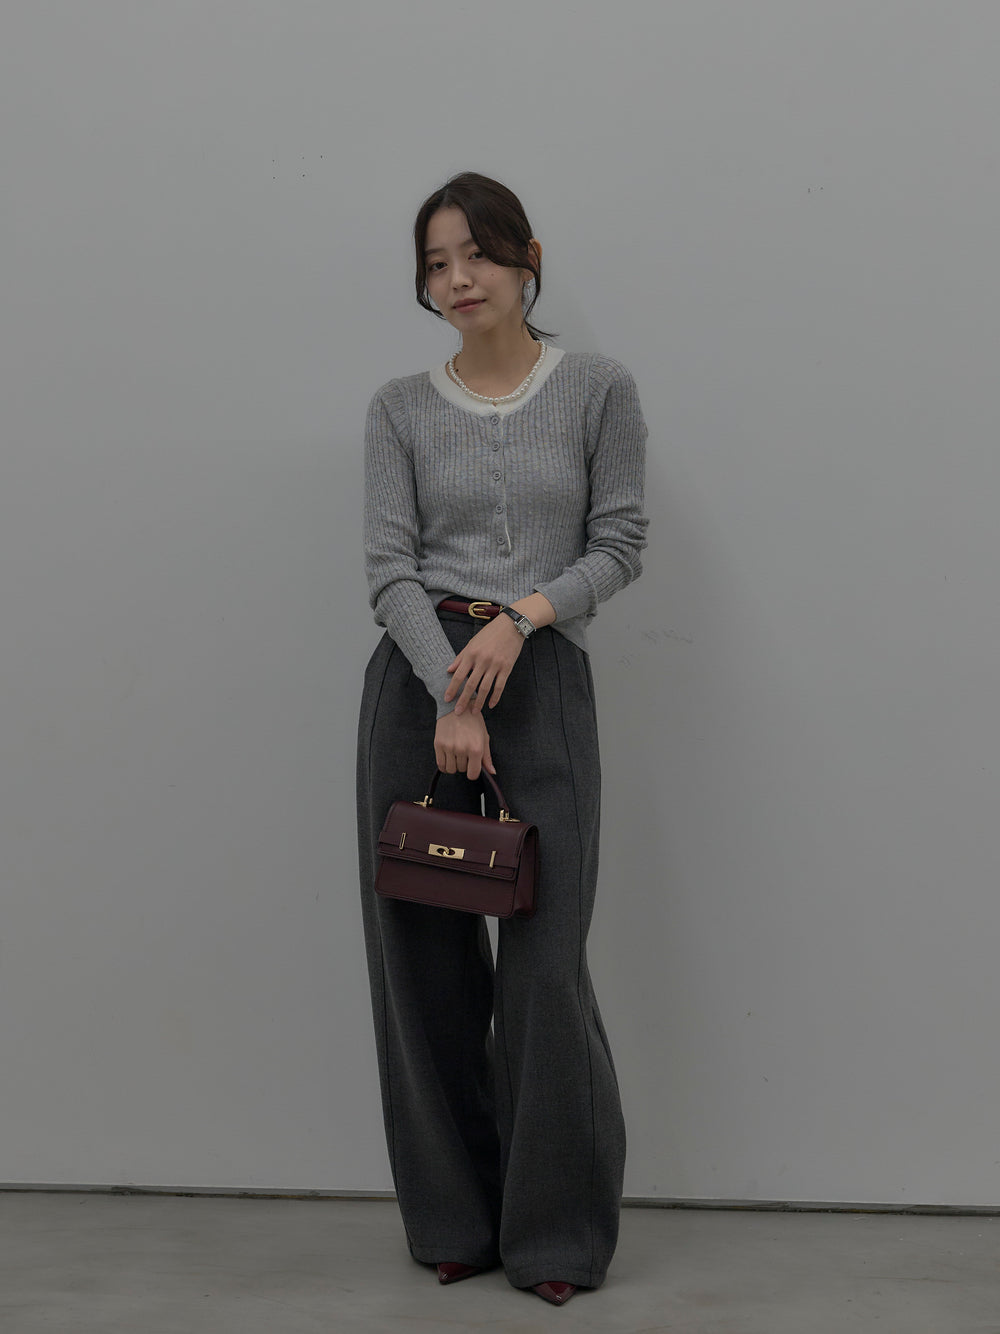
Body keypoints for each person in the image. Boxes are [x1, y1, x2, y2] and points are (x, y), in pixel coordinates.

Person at [356, 171, 648, 1307]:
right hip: (418, 686)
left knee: (545, 965)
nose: (457, 278)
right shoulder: (397, 407)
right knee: (419, 960)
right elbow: (389, 570)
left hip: (542, 680)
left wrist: (520, 621)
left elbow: (618, 543)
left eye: (474, 253)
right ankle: (452, 1218)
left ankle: (555, 1234)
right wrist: (453, 689)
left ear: (526, 255)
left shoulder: (598, 389)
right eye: (435, 263)